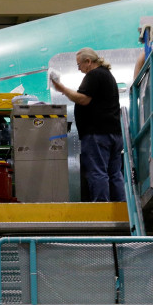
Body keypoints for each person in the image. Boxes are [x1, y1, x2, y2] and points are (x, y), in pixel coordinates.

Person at [51, 48, 125, 202]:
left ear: (88, 61)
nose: (79, 69)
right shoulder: (107, 75)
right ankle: (120, 207)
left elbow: (83, 99)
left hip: (97, 134)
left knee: (97, 172)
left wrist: (62, 89)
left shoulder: (94, 75)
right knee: (115, 173)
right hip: (115, 134)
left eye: (79, 65)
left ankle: (101, 209)